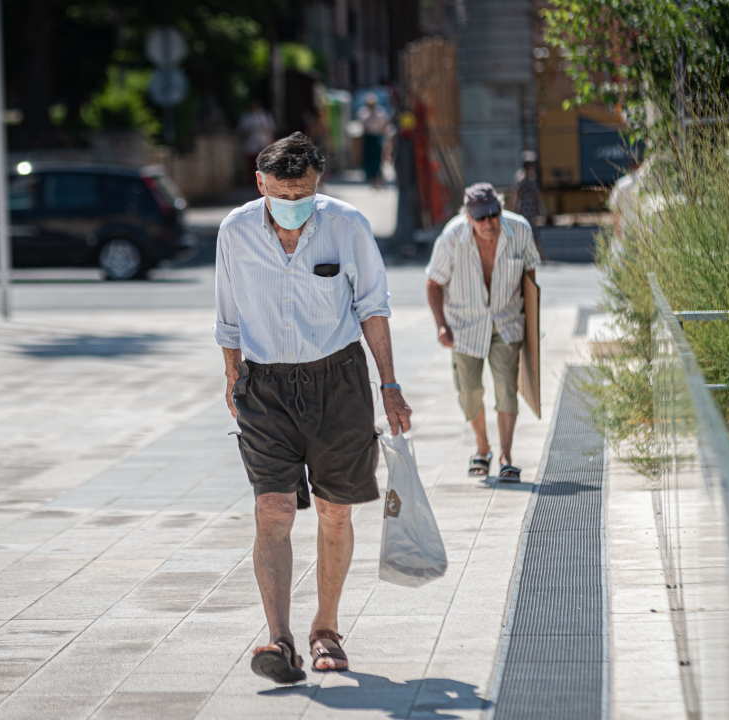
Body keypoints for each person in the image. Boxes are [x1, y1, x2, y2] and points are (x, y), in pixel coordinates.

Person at [214, 132, 413, 684]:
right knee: (272, 510)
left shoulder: (347, 225)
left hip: (338, 382)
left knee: (334, 510)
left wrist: (389, 385)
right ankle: (278, 639)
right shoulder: (234, 230)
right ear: (261, 185)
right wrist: (232, 376)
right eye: (282, 193)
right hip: (264, 388)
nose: (293, 203)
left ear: (317, 183)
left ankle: (325, 628)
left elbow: (373, 305)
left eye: (302, 192)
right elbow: (227, 314)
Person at [425, 182, 540, 482]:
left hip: (506, 322)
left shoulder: (520, 230)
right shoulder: (452, 238)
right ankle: (482, 447)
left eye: (494, 214)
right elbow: (433, 283)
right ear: (468, 217)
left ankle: (505, 456)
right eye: (481, 218)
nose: (489, 223)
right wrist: (440, 323)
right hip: (465, 326)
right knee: (469, 392)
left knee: (506, 388)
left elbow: (530, 278)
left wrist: (532, 325)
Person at [511, 150, 547, 261]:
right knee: (526, 231)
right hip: (524, 209)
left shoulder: (532, 178)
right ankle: (538, 256)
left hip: (531, 209)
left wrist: (541, 207)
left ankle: (540, 255)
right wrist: (514, 209)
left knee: (533, 232)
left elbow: (537, 195)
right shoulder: (521, 178)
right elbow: (516, 194)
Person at [356, 93, 389, 186]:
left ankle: (377, 177)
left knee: (377, 158)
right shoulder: (363, 112)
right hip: (368, 137)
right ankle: (370, 177)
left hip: (377, 136)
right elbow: (361, 124)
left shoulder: (380, 112)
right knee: (368, 157)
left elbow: (384, 125)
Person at [237, 99, 277, 177]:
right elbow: (241, 130)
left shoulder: (265, 115)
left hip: (264, 142)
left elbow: (271, 128)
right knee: (252, 163)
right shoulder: (247, 117)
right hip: (251, 143)